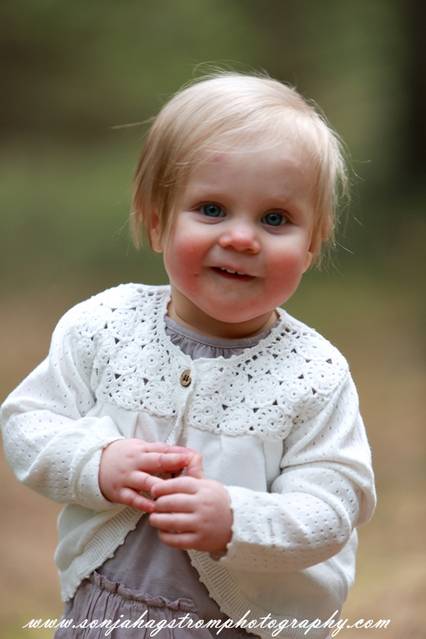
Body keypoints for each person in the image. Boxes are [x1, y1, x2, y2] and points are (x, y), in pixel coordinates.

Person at [0, 71, 376, 639]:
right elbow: (29, 422)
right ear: (158, 222)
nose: (242, 238)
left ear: (311, 245)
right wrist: (95, 462)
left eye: (275, 219)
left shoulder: (313, 374)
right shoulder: (105, 325)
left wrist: (238, 519)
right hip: (105, 609)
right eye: (212, 209)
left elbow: (334, 505)